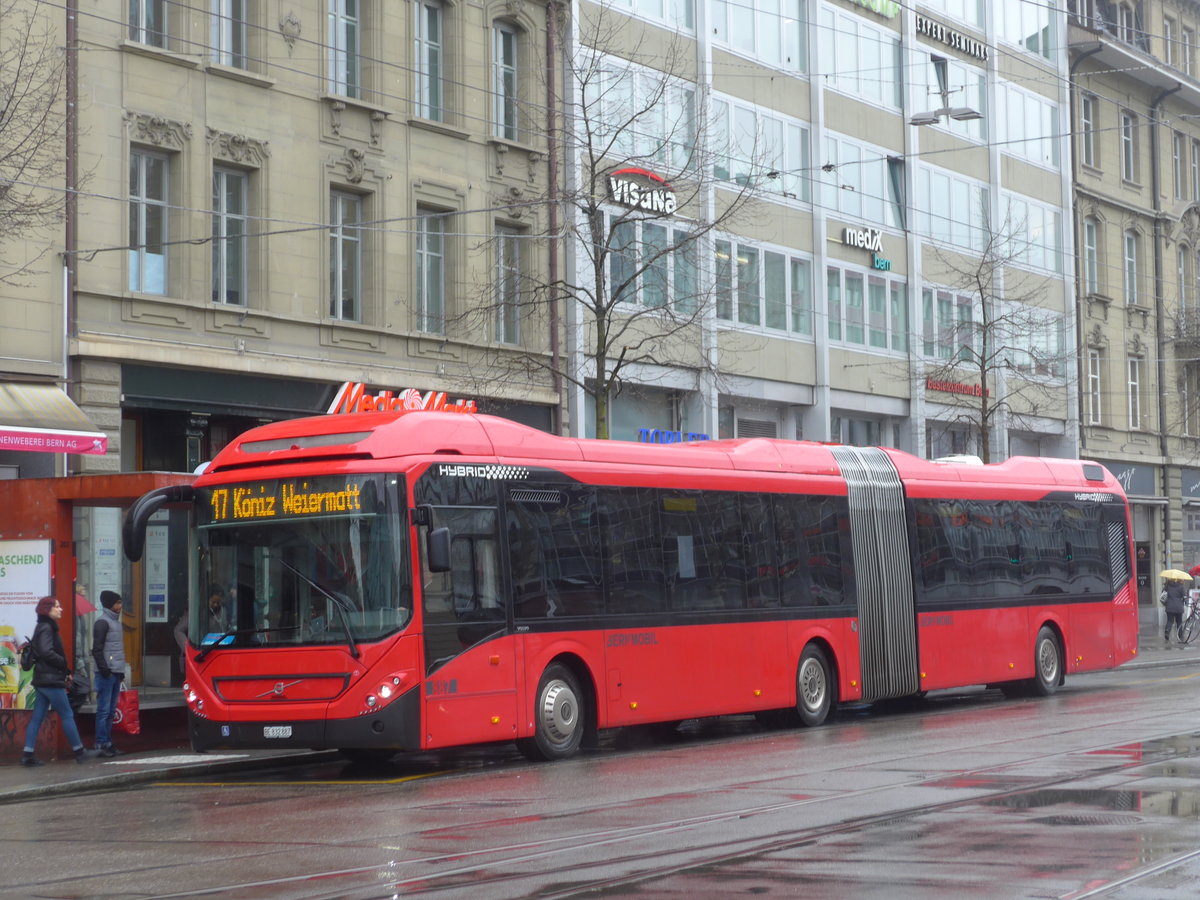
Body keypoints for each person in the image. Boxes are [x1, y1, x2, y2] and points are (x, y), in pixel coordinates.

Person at [20, 597, 92, 766]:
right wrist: (62, 663)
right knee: (67, 714)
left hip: (43, 680)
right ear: (48, 609)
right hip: (51, 681)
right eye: (57, 607)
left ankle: (28, 755)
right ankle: (79, 751)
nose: (61, 609)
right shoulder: (47, 628)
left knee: (37, 717)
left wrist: (65, 671)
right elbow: (46, 651)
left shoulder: (42, 626)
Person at [91, 590, 127, 757]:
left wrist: (120, 671)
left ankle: (108, 742)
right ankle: (101, 743)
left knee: (111, 711)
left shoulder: (115, 623)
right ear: (109, 604)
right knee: (104, 710)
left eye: (120, 603)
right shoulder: (102, 623)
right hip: (106, 673)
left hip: (115, 672)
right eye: (117, 603)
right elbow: (97, 649)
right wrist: (105, 670)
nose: (120, 606)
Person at [1164, 579, 1189, 646]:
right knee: (1179, 622)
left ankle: (1167, 631)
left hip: (1169, 606)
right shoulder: (1181, 586)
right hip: (1178, 607)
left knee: (1169, 621)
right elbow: (1184, 596)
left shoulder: (1167, 586)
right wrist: (1186, 602)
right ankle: (1180, 636)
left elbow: (1163, 594)